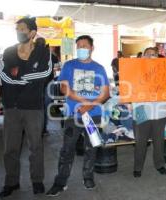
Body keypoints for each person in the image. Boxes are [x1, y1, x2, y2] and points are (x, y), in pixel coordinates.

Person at [46, 35, 110, 196]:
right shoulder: (69, 65)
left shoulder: (99, 68)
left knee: (91, 147)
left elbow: (105, 93)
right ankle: (60, 182)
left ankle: (88, 176)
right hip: (72, 115)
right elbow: (63, 89)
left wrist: (89, 106)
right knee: (67, 149)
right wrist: (83, 102)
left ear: (92, 48)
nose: (81, 48)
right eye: (79, 46)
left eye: (84, 46)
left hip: (93, 115)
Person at [0, 17, 52, 198]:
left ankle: (37, 181)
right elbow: (2, 74)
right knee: (10, 148)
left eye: (22, 28)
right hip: (11, 107)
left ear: (32, 32)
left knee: (35, 147)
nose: (18, 31)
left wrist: (21, 79)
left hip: (33, 108)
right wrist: (21, 79)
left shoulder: (43, 52)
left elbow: (46, 73)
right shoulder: (8, 52)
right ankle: (11, 182)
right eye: (17, 28)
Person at [132, 47, 166, 178]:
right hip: (141, 110)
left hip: (160, 112)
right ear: (143, 56)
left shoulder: (165, 72)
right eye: (148, 54)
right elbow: (128, 91)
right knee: (140, 142)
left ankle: (159, 165)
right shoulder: (135, 72)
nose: (151, 56)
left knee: (159, 141)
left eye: (154, 54)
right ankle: (138, 167)